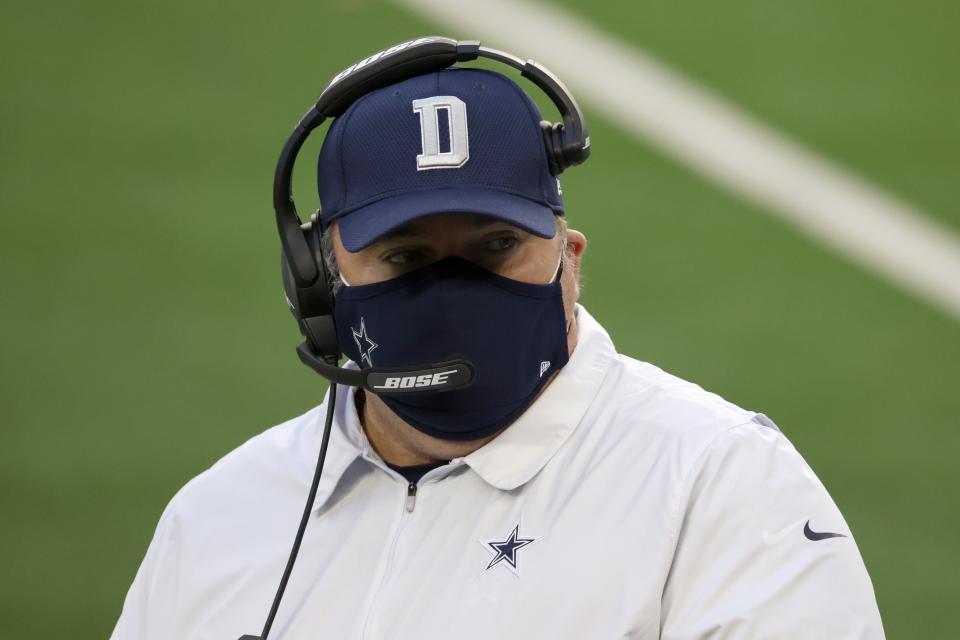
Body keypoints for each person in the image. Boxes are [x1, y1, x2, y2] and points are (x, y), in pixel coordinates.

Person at [112, 38, 884, 639]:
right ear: (318, 282)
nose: (452, 290)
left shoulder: (720, 487)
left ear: (569, 259)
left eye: (493, 248)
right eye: (407, 256)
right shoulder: (220, 516)